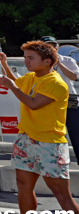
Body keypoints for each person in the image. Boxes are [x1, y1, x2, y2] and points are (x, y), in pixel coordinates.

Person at [0, 41, 79, 214]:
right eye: (25, 58)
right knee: (23, 184)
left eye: (31, 58)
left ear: (48, 61)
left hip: (50, 143)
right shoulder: (32, 77)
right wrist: (4, 63)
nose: (27, 62)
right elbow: (16, 83)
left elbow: (33, 103)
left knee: (61, 194)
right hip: (26, 139)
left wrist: (10, 85)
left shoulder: (55, 83)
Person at [42, 36, 79, 165]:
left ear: (57, 48)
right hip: (51, 102)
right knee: (55, 134)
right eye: (47, 46)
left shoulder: (68, 60)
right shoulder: (40, 63)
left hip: (70, 101)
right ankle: (57, 162)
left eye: (53, 46)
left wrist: (59, 63)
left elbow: (74, 77)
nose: (51, 49)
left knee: (76, 132)